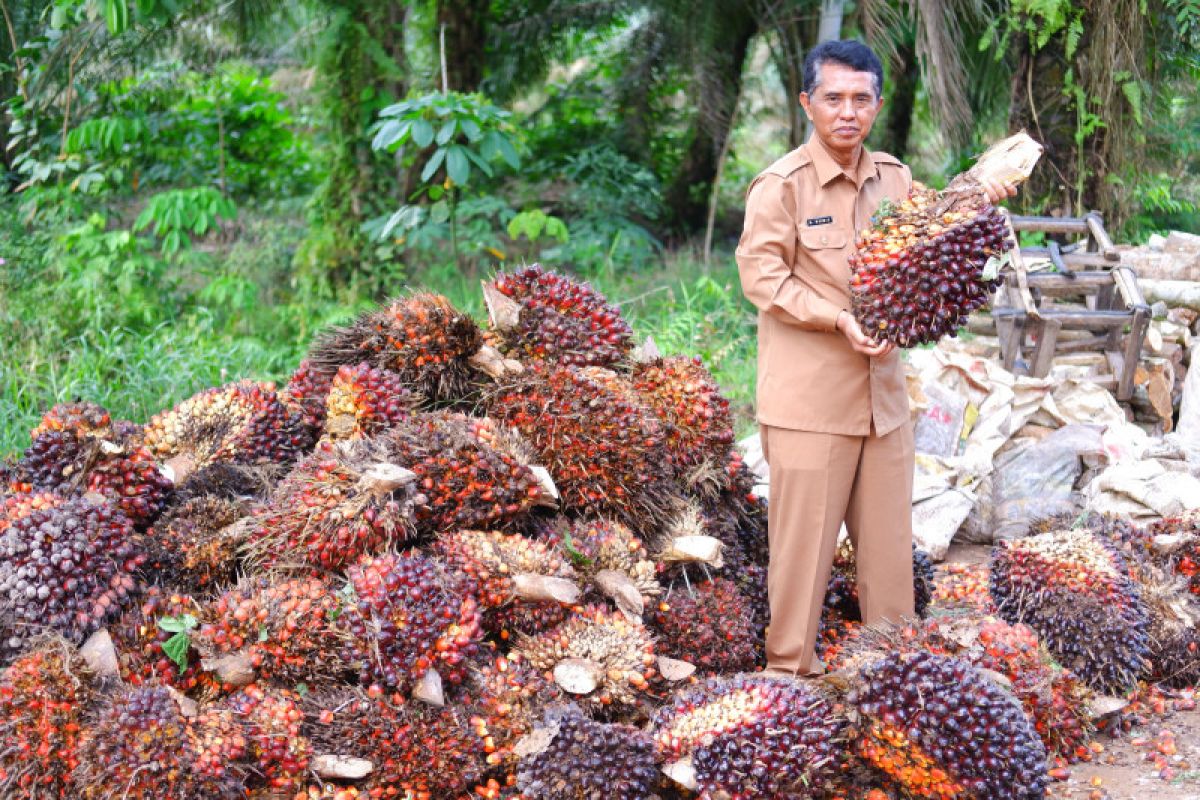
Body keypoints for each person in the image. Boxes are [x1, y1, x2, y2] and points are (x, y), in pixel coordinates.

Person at [736, 39, 1015, 676]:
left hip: (884, 404)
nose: (847, 112)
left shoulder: (893, 177)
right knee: (802, 558)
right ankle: (790, 679)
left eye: (861, 99)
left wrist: (980, 199)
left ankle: (894, 676)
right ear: (807, 103)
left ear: (878, 105)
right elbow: (762, 279)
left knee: (890, 560)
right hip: (810, 405)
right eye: (832, 97)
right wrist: (837, 317)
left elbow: (923, 249)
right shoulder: (781, 187)